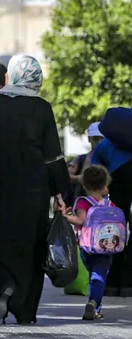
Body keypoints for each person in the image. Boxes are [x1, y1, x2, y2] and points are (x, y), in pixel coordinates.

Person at [0, 55, 70, 324]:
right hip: (34, 188)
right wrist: (61, 192)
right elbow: (53, 156)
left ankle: (4, 287)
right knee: (31, 245)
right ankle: (26, 311)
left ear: (12, 75)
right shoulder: (42, 107)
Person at [63, 165, 115, 320]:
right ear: (105, 186)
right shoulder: (109, 204)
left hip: (87, 247)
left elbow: (80, 220)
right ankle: (94, 304)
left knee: (94, 274)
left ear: (84, 185)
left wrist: (65, 216)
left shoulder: (83, 202)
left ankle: (94, 304)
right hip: (106, 247)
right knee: (99, 276)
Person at [90, 108, 132, 297]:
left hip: (117, 182)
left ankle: (113, 283)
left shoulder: (104, 145)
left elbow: (93, 173)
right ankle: (129, 284)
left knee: (115, 230)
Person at [64, 122, 104, 206]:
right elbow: (66, 176)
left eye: (102, 138)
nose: (99, 142)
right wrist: (80, 178)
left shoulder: (110, 160)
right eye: (96, 138)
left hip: (104, 205)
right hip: (82, 204)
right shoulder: (81, 159)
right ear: (89, 139)